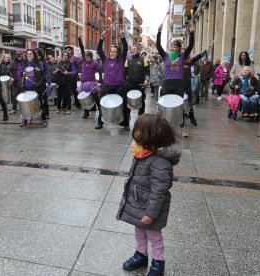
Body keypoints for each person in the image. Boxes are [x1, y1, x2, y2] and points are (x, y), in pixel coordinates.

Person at [117, 114, 182, 276]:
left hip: (151, 209)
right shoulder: (142, 152)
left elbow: (159, 190)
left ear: (152, 134)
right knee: (139, 232)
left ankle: (158, 262)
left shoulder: (160, 161)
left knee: (154, 237)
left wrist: (151, 213)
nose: (135, 133)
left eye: (139, 130)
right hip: (139, 204)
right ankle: (141, 254)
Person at [96, 28, 128, 130]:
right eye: (111, 51)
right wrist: (101, 39)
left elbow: (126, 48)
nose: (112, 53)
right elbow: (99, 50)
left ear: (118, 53)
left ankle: (125, 123)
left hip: (119, 86)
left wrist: (122, 37)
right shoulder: (105, 60)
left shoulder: (121, 60)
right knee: (102, 103)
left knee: (123, 104)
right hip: (107, 86)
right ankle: (100, 122)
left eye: (114, 52)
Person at [20, 49, 48, 127]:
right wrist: (21, 83)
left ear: (34, 55)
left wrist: (39, 82)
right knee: (25, 104)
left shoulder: (39, 64)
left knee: (40, 104)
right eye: (27, 53)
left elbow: (43, 75)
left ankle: (44, 120)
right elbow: (21, 76)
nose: (28, 55)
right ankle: (24, 120)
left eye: (30, 53)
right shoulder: (24, 64)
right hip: (26, 87)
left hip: (37, 87)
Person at [78, 35, 101, 119]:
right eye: (86, 57)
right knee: (84, 98)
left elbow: (100, 72)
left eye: (88, 57)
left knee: (96, 97)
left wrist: (99, 82)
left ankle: (101, 111)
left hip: (92, 83)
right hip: (83, 83)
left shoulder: (95, 63)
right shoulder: (83, 61)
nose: (87, 59)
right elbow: (81, 48)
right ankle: (86, 112)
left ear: (91, 57)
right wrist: (79, 39)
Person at [125, 45, 150, 116]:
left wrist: (146, 80)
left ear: (138, 51)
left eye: (134, 49)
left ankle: (141, 113)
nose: (133, 50)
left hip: (140, 83)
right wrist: (124, 81)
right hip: (130, 83)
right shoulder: (128, 59)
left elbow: (147, 71)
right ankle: (128, 113)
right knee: (128, 98)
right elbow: (125, 71)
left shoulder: (143, 59)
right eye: (132, 49)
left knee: (141, 99)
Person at [55, 51, 76, 115]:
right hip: (60, 82)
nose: (65, 56)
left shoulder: (70, 63)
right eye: (64, 55)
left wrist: (68, 73)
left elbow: (74, 72)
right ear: (62, 56)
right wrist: (56, 71)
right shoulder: (59, 63)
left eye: (66, 55)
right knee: (59, 96)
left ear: (68, 56)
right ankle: (58, 108)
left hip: (68, 82)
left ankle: (68, 109)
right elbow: (57, 72)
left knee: (68, 96)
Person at [9, 49, 25, 115]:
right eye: (17, 55)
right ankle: (14, 109)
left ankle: (24, 109)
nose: (19, 56)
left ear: (22, 54)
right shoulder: (13, 62)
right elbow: (11, 70)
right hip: (15, 81)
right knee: (14, 95)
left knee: (23, 96)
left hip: (23, 81)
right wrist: (11, 77)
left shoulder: (25, 61)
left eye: (20, 55)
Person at [35, 48, 49, 118]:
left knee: (43, 99)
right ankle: (39, 112)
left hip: (42, 83)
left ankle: (46, 113)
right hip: (35, 83)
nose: (36, 54)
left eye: (37, 53)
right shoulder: (34, 61)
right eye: (35, 53)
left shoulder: (43, 62)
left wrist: (46, 81)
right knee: (37, 99)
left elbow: (46, 73)